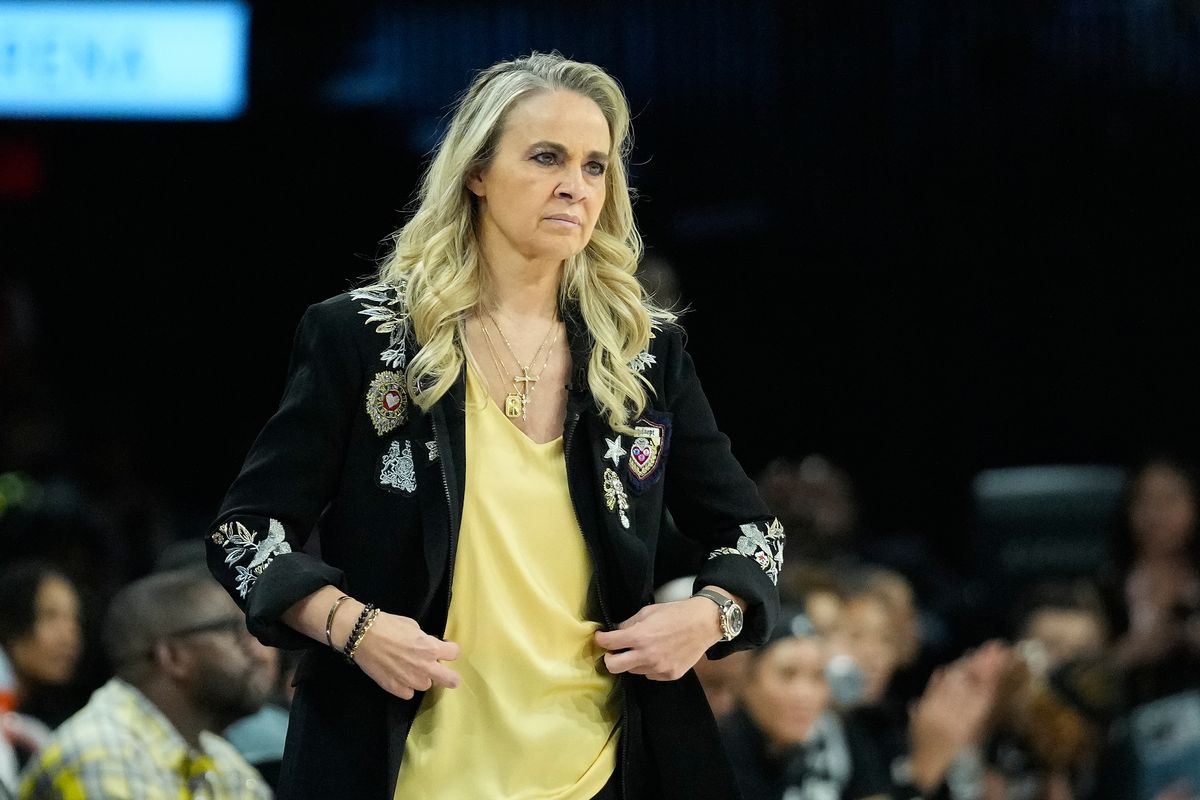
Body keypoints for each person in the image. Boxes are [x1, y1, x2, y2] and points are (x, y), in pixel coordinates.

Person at [203, 50, 784, 799]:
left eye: (596, 166)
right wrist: (352, 626)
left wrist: (711, 615)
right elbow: (244, 532)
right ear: (476, 171)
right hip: (397, 765)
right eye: (546, 157)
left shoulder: (642, 352)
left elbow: (751, 532)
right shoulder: (363, 337)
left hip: (603, 769)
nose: (575, 185)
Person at [17, 564, 273, 799]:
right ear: (173, 656)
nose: (257, 652)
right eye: (232, 631)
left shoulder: (218, 758)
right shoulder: (102, 752)